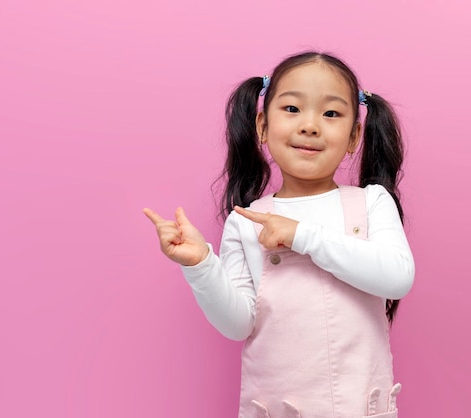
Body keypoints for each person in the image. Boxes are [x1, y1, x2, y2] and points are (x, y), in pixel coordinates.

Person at [143, 51, 415, 418]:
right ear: (262, 126)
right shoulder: (247, 220)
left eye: (331, 113)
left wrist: (301, 235)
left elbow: (396, 278)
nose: (310, 125)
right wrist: (202, 266)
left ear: (354, 137)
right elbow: (239, 324)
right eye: (292, 109)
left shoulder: (371, 202)